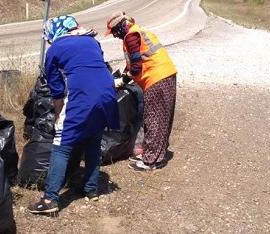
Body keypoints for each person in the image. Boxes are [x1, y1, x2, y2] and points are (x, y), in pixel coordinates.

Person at [28, 15, 119, 215]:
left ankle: (50, 199)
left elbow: (57, 90)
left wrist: (60, 116)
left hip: (83, 98)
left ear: (55, 32)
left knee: (61, 146)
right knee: (93, 140)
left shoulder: (55, 50)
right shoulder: (91, 41)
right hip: (107, 95)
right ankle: (91, 189)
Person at [105, 12, 177, 171]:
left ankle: (151, 161)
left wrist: (122, 81)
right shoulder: (137, 31)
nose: (115, 36)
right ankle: (155, 153)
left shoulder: (130, 36)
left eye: (114, 32)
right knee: (161, 117)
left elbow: (136, 67)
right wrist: (125, 74)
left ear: (121, 27)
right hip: (165, 74)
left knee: (155, 118)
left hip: (157, 78)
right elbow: (134, 61)